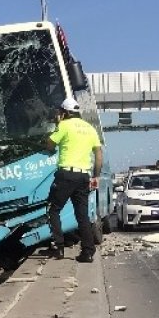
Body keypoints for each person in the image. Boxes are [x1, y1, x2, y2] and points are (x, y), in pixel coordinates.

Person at [43, 98, 103, 262]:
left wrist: (57, 125)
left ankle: (59, 247)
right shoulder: (90, 128)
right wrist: (96, 176)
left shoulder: (64, 125)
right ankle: (88, 252)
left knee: (53, 209)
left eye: (61, 112)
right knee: (82, 215)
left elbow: (49, 145)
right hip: (84, 176)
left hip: (66, 175)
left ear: (65, 112)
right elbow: (98, 155)